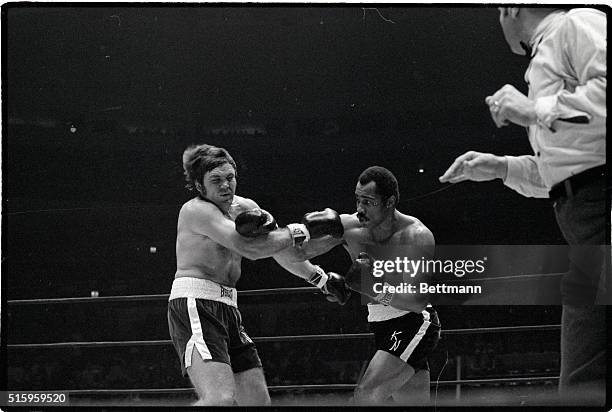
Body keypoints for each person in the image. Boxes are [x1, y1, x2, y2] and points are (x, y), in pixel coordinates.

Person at [439, 7, 606, 403]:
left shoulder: (575, 21)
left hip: (601, 208)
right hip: (586, 215)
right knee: (586, 369)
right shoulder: (549, 51)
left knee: (585, 374)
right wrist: (501, 167)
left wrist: (532, 110)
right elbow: (566, 170)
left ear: (511, 8)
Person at [167, 143, 350, 406]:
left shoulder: (246, 208)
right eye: (215, 180)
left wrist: (319, 278)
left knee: (257, 400)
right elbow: (248, 248)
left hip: (228, 307)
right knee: (219, 399)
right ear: (199, 186)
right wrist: (303, 229)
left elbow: (277, 248)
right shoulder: (196, 210)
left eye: (230, 178)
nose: (225, 186)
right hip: (196, 303)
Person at [289, 166, 441, 405]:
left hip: (414, 322)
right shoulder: (350, 227)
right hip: (381, 325)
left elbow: (416, 301)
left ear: (389, 202)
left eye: (368, 202)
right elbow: (295, 254)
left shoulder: (415, 235)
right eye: (358, 199)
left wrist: (372, 288)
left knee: (366, 395)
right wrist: (296, 237)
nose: (360, 208)